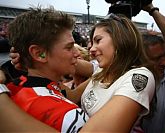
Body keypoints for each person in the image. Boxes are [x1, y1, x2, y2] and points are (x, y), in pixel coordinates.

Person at [4, 13, 157, 132]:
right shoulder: (102, 72)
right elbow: (70, 94)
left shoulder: (139, 76)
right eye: (69, 47)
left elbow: (68, 62)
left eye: (98, 40)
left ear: (120, 39)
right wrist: (28, 63)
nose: (90, 48)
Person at [6, 7, 89, 132]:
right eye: (69, 47)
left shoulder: (11, 88)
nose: (77, 53)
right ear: (39, 54)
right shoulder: (70, 116)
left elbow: (72, 94)